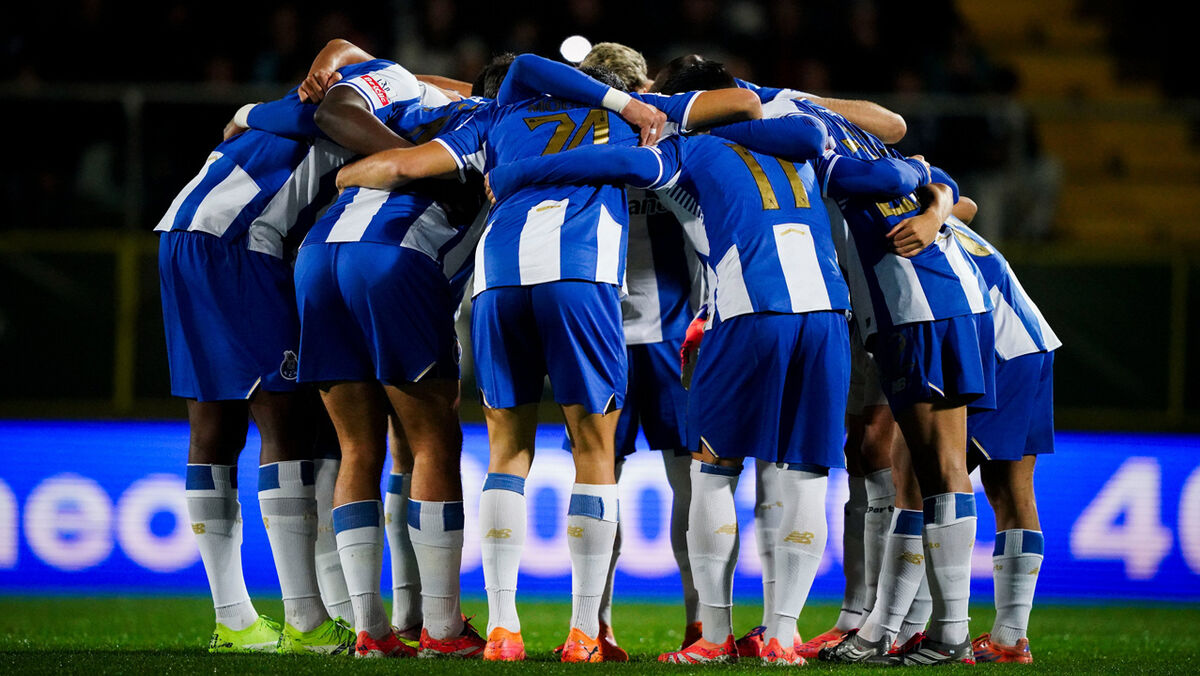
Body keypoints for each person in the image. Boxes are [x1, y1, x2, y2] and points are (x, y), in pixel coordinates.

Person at [484, 81, 935, 664]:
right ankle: (782, 637)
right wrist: (923, 175)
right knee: (805, 473)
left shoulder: (689, 149)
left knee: (712, 471)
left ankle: (715, 638)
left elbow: (612, 162)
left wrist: (516, 174)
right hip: (827, 313)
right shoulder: (809, 144)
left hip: (749, 308)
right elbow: (889, 173)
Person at [334, 54, 759, 662]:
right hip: (583, 276)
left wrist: (352, 168)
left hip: (499, 277)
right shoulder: (643, 115)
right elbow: (742, 103)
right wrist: (636, 105)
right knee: (595, 452)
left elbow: (499, 84)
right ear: (623, 88)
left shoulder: (502, 114)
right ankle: (586, 632)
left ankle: (502, 629)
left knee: (506, 452)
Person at [157, 48, 402, 655]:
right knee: (286, 419)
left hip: (181, 236)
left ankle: (234, 620)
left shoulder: (308, 101)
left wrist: (248, 109)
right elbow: (340, 104)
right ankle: (306, 622)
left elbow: (342, 53)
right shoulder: (353, 112)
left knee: (214, 426)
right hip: (238, 246)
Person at [292, 56, 510, 659]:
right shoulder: (503, 124)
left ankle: (372, 629)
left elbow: (397, 82)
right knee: (435, 441)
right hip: (396, 256)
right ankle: (442, 628)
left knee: (358, 448)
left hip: (318, 254)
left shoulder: (417, 100)